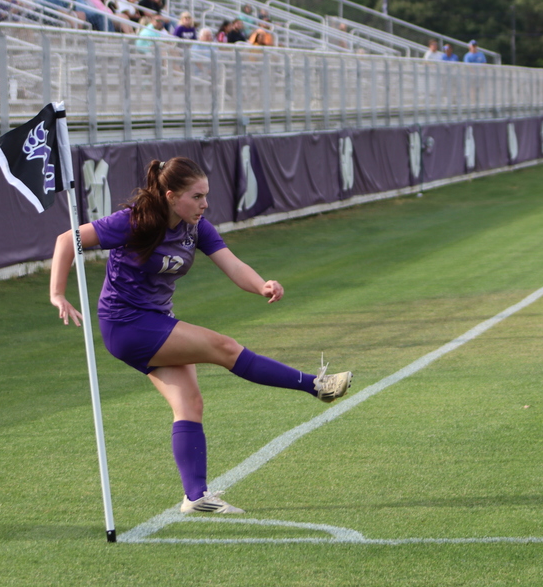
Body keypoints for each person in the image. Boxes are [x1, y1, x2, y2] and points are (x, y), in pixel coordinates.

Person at [49, 158, 352, 514]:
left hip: (154, 321)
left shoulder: (197, 228)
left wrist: (262, 285)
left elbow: (233, 265)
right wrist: (57, 293)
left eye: (206, 195)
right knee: (223, 347)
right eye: (197, 196)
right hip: (126, 324)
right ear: (171, 196)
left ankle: (196, 498)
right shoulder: (134, 221)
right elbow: (67, 240)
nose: (204, 204)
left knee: (189, 405)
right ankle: (315, 385)